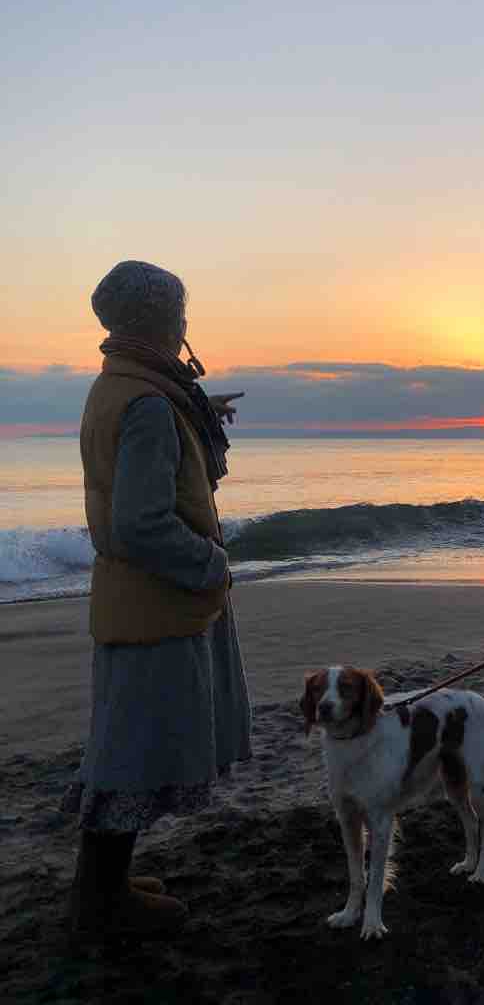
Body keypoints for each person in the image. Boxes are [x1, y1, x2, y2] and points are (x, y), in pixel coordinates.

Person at [62, 260, 252, 938]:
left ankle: (102, 886)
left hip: (135, 605)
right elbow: (140, 524)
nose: (184, 324)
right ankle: (101, 903)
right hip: (156, 609)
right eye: (178, 312)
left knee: (123, 750)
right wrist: (211, 565)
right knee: (130, 760)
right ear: (154, 319)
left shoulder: (124, 386)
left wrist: (200, 416)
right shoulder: (147, 404)